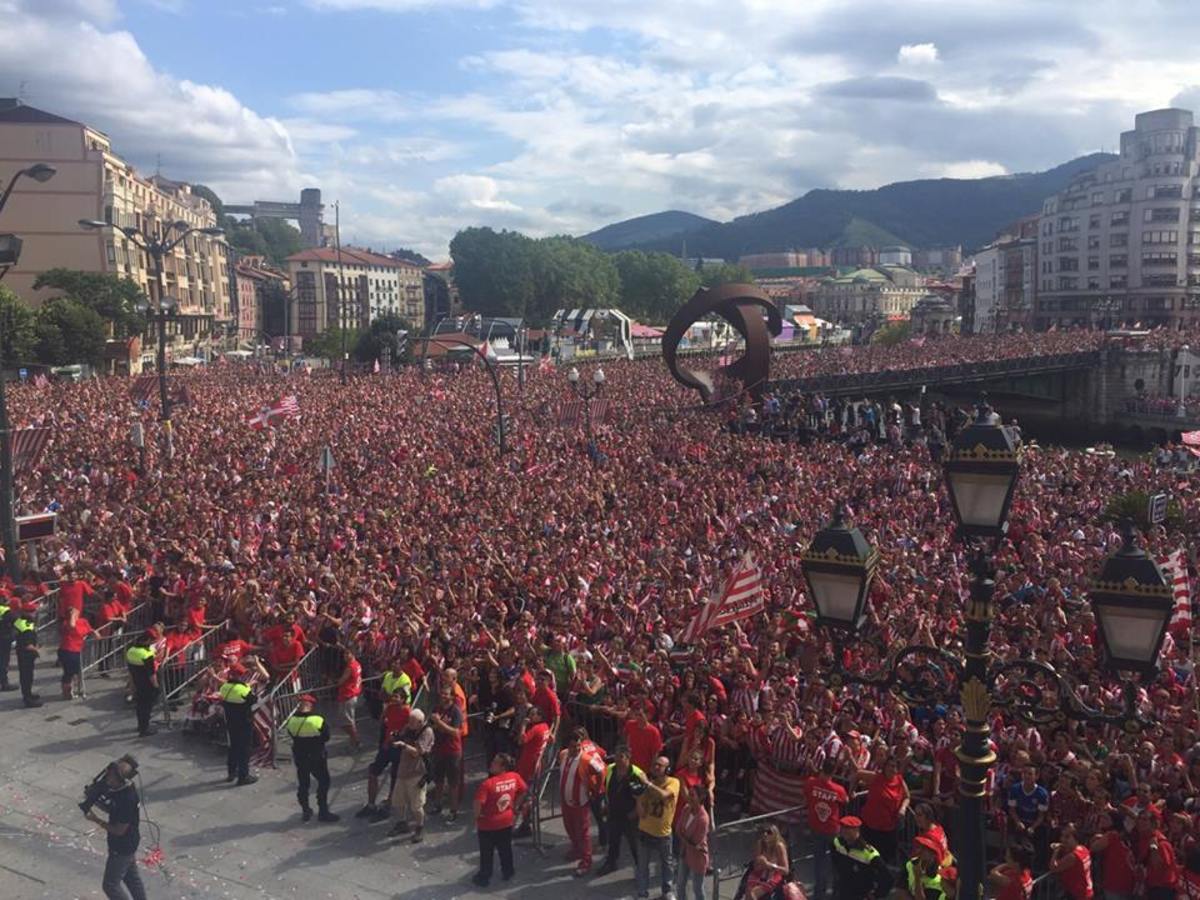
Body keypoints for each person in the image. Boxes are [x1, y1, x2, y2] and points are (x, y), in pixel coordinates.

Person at [83, 756, 146, 900]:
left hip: (122, 845)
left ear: (122, 780)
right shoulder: (121, 790)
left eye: (112, 778)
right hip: (128, 842)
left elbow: (119, 830)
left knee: (110, 885)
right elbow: (114, 810)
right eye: (108, 775)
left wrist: (96, 820)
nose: (108, 780)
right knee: (131, 878)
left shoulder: (127, 798)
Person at [473, 752, 528, 888]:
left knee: (487, 852)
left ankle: (484, 876)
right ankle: (508, 871)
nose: (491, 764)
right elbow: (524, 789)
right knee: (505, 849)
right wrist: (515, 805)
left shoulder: (487, 784)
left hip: (488, 824)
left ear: (503, 767)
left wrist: (477, 816)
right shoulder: (514, 777)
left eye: (495, 763)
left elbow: (478, 803)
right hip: (506, 821)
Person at [559, 725, 605, 877]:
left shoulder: (586, 759)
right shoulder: (563, 755)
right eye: (573, 746)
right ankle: (576, 849)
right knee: (569, 827)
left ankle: (586, 860)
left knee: (584, 832)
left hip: (580, 801)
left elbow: (600, 771)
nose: (576, 748)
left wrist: (597, 789)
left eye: (578, 745)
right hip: (566, 801)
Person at [284, 693, 338, 822]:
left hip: (300, 755)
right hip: (317, 755)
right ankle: (323, 811)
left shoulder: (291, 720)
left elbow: (292, 735)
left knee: (303, 783)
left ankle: (306, 810)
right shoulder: (317, 720)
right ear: (310, 705)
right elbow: (326, 737)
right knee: (323, 782)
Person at [635, 755, 680, 900]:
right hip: (645, 830)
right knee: (642, 866)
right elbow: (641, 812)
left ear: (667, 769)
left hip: (663, 833)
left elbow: (665, 795)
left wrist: (647, 784)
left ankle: (667, 891)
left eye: (660, 765)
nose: (656, 767)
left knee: (667, 864)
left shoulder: (674, 782)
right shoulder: (648, 784)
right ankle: (642, 893)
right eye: (655, 764)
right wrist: (638, 798)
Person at [387, 707, 434, 843]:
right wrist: (395, 737)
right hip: (403, 770)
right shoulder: (408, 728)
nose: (409, 724)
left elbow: (417, 752)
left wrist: (403, 745)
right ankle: (402, 823)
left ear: (420, 722)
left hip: (417, 771)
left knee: (416, 805)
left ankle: (419, 827)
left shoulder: (427, 732)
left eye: (412, 722)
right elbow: (401, 736)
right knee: (398, 800)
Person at [596, 743, 644, 876]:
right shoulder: (611, 769)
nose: (617, 759)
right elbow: (608, 787)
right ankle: (611, 863)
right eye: (616, 756)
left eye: (620, 756)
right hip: (614, 812)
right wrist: (606, 804)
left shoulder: (635, 774)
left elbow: (641, 796)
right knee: (613, 840)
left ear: (628, 757)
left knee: (634, 843)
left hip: (629, 816)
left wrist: (634, 813)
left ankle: (640, 869)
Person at [805, 756, 849, 900]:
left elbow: (805, 797)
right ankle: (836, 892)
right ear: (835, 770)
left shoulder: (811, 783)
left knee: (819, 863)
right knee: (835, 862)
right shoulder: (839, 789)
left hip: (816, 827)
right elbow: (846, 800)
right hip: (832, 829)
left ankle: (819, 894)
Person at [427, 684, 465, 824]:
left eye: (446, 694)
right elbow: (430, 726)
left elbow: (456, 732)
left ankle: (454, 811)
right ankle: (438, 805)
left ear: (451, 696)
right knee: (438, 780)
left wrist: (439, 723)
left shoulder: (455, 711)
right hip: (438, 750)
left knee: (453, 783)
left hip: (452, 751)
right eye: (442, 693)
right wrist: (438, 725)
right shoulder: (436, 709)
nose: (443, 696)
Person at [831, 815, 892, 900]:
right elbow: (835, 861)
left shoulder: (869, 854)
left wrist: (875, 895)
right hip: (842, 893)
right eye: (843, 827)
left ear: (857, 830)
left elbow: (887, 878)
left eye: (848, 828)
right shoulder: (838, 843)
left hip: (861, 895)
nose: (844, 831)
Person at [220, 664, 258, 786]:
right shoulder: (243, 689)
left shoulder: (224, 687)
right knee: (244, 749)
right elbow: (253, 700)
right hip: (244, 722)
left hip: (230, 722)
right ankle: (243, 776)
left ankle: (231, 772)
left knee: (233, 748)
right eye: (242, 674)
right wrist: (248, 687)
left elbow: (233, 692)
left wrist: (247, 685)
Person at [674, 783, 710, 900]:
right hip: (685, 853)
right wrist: (686, 839)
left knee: (697, 888)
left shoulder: (703, 819)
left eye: (692, 795)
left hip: (697, 857)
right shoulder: (686, 809)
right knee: (680, 884)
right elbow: (678, 828)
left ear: (700, 798)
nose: (689, 797)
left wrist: (685, 838)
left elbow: (696, 842)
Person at [744, 823, 790, 900]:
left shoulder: (779, 846)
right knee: (748, 891)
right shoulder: (760, 844)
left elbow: (785, 870)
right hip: (760, 873)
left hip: (774, 875)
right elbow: (755, 867)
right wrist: (759, 862)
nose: (765, 834)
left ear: (775, 834)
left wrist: (769, 864)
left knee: (753, 893)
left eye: (769, 832)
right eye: (763, 832)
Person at [124, 633, 158, 737]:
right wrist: (156, 686)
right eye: (151, 641)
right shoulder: (146, 654)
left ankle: (140, 726)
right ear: (146, 641)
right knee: (147, 707)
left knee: (139, 706)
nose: (152, 643)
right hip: (147, 685)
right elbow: (151, 674)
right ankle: (144, 729)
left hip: (137, 682)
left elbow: (130, 670)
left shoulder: (130, 651)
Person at [1049, 824, 1093, 900]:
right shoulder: (1084, 849)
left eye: (1067, 837)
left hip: (1077, 894)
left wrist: (1056, 851)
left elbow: (1053, 868)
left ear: (1076, 838)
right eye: (1062, 836)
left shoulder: (1072, 857)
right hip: (1087, 891)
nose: (1062, 839)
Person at [899, 834, 950, 900]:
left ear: (934, 854)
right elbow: (897, 892)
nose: (919, 851)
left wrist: (917, 878)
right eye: (919, 847)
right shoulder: (910, 865)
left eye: (925, 849)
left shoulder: (939, 881)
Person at [58, 605, 93, 700]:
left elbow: (89, 630)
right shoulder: (66, 624)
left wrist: (95, 632)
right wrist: (72, 615)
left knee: (75, 672)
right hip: (67, 650)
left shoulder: (82, 621)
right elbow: (72, 626)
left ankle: (73, 689)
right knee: (68, 673)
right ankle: (66, 692)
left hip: (76, 650)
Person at [13, 600, 41, 707]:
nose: (34, 613)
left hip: (21, 653)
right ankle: (28, 699)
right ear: (26, 613)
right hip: (26, 655)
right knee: (27, 677)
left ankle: (28, 694)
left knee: (25, 676)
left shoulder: (19, 621)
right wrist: (37, 650)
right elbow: (29, 645)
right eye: (32, 611)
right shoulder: (27, 627)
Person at [0, 591, 16, 691]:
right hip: (4, 638)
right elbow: (15, 620)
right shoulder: (4, 610)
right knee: (3, 661)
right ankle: (4, 683)